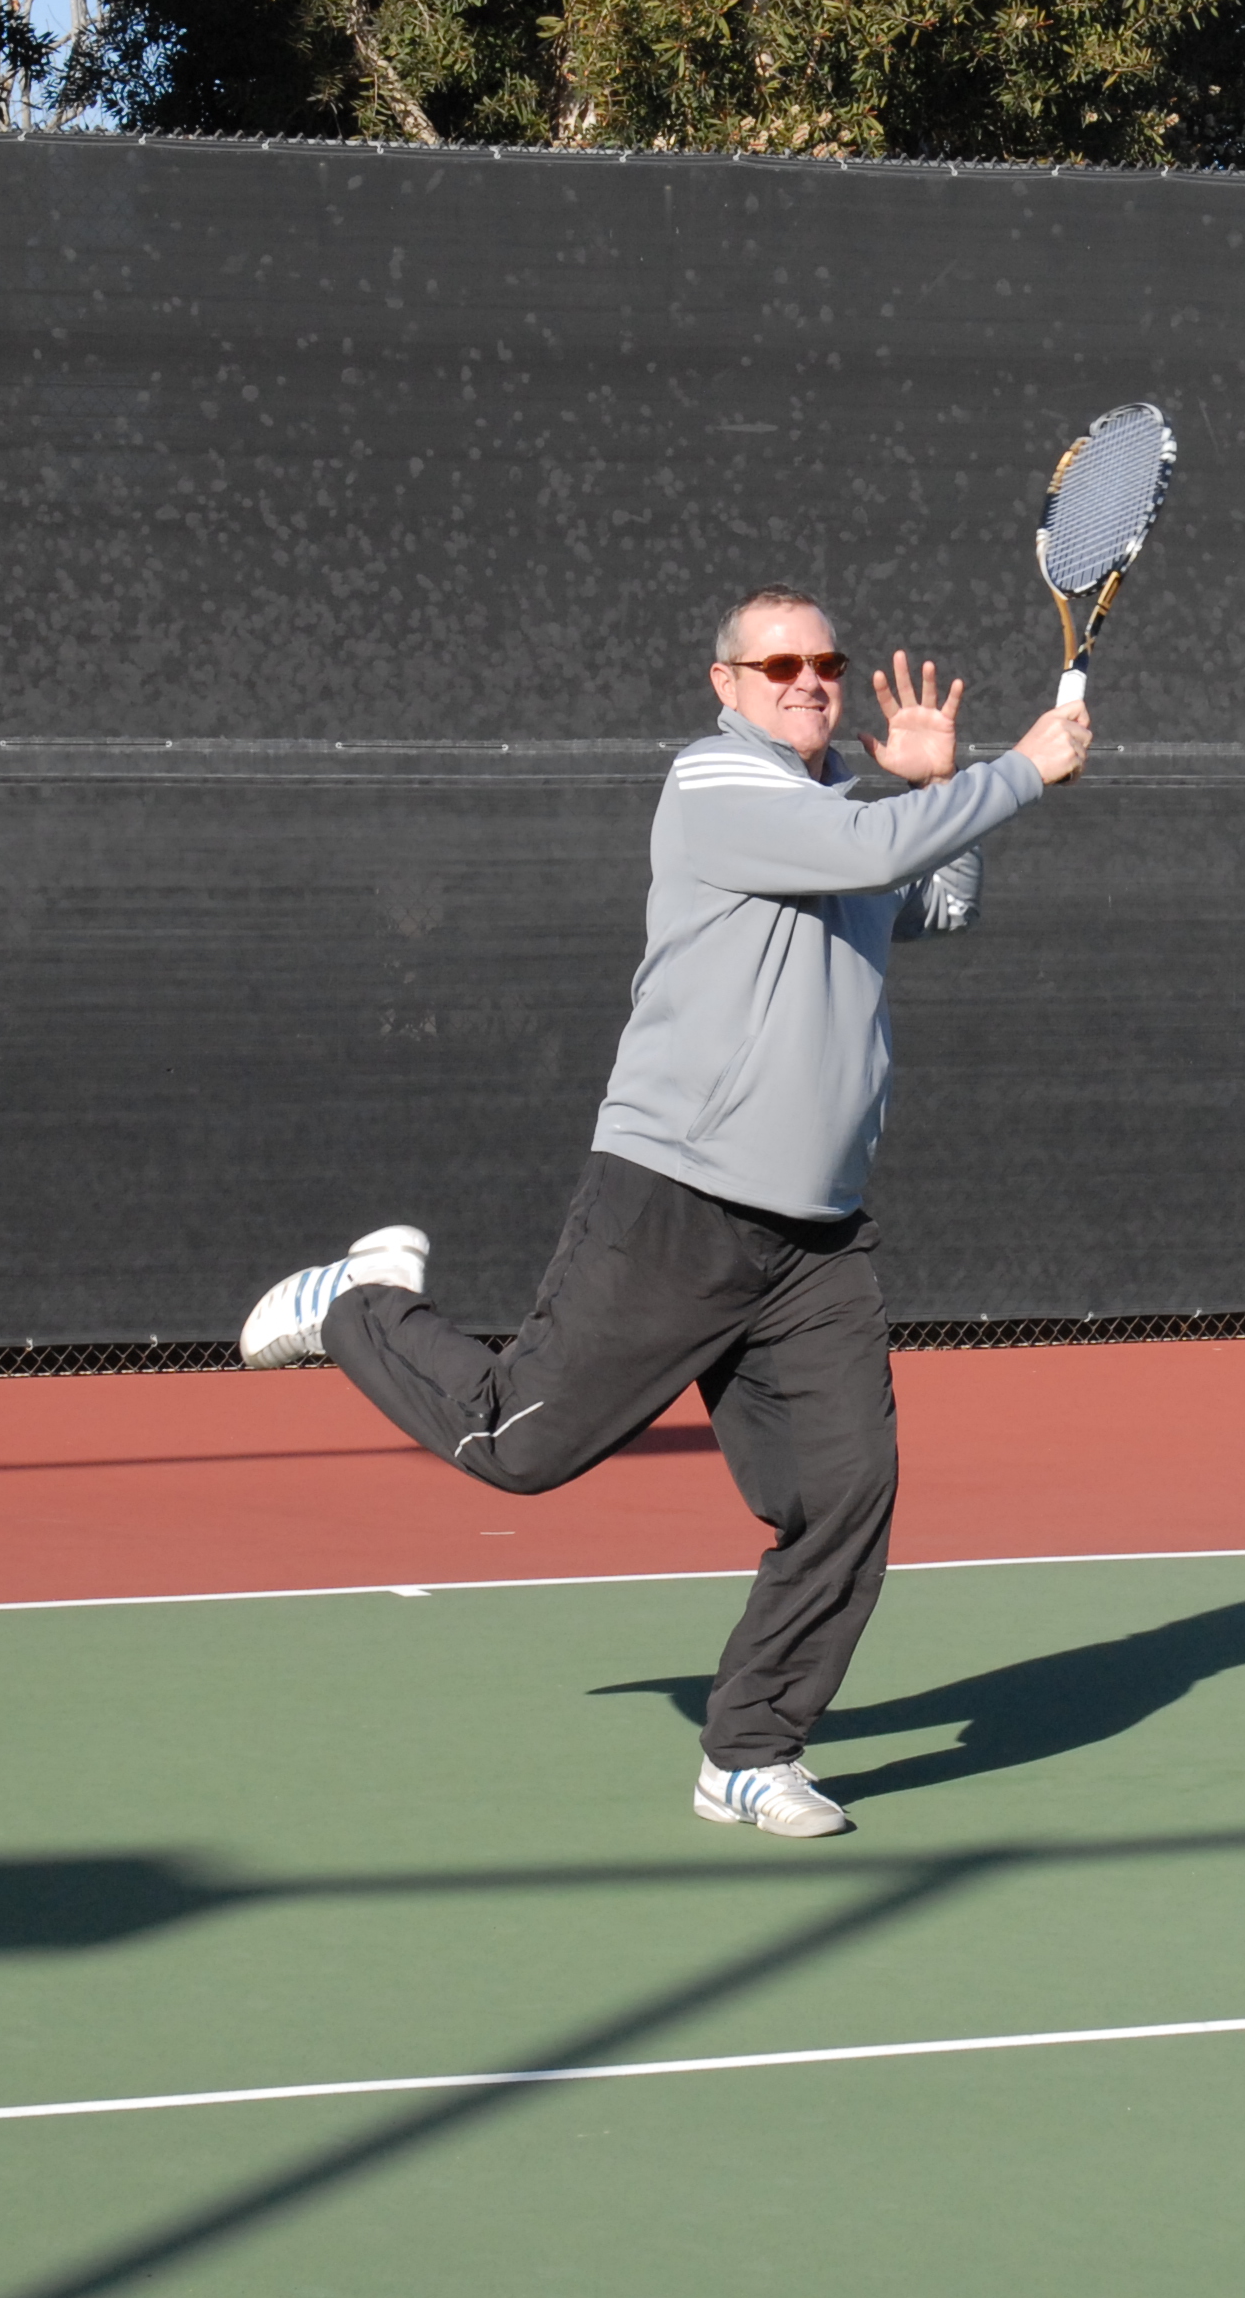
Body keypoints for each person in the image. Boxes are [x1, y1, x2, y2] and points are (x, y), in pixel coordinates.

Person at [238, 586, 1095, 1838]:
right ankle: (360, 1302)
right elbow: (867, 853)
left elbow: (933, 898)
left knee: (846, 1492)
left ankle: (749, 1752)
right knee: (515, 1448)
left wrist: (935, 793)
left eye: (825, 663)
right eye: (779, 664)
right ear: (727, 685)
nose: (808, 681)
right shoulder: (712, 786)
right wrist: (1014, 771)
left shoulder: (836, 813)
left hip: (816, 1241)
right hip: (676, 1203)